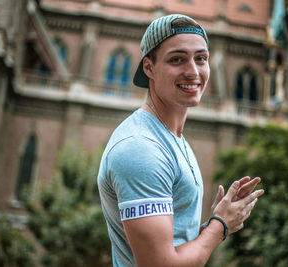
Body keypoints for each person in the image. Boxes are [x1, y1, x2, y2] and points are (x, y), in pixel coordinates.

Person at [97, 14, 264, 267]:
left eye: (201, 58)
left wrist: (216, 221)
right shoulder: (141, 148)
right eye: (177, 59)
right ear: (148, 68)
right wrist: (220, 225)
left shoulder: (173, 139)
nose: (193, 71)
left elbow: (172, 242)